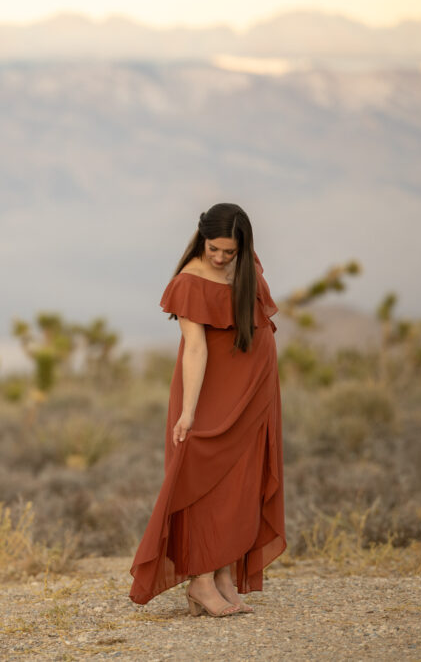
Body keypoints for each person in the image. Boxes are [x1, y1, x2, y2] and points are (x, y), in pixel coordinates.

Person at [129, 203, 286, 616]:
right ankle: (199, 582)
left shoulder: (245, 266)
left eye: (228, 252)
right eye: (214, 249)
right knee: (202, 482)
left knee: (239, 483)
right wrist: (188, 412)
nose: (219, 258)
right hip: (209, 394)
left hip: (250, 393)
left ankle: (220, 576)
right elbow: (195, 349)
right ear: (201, 239)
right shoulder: (188, 281)